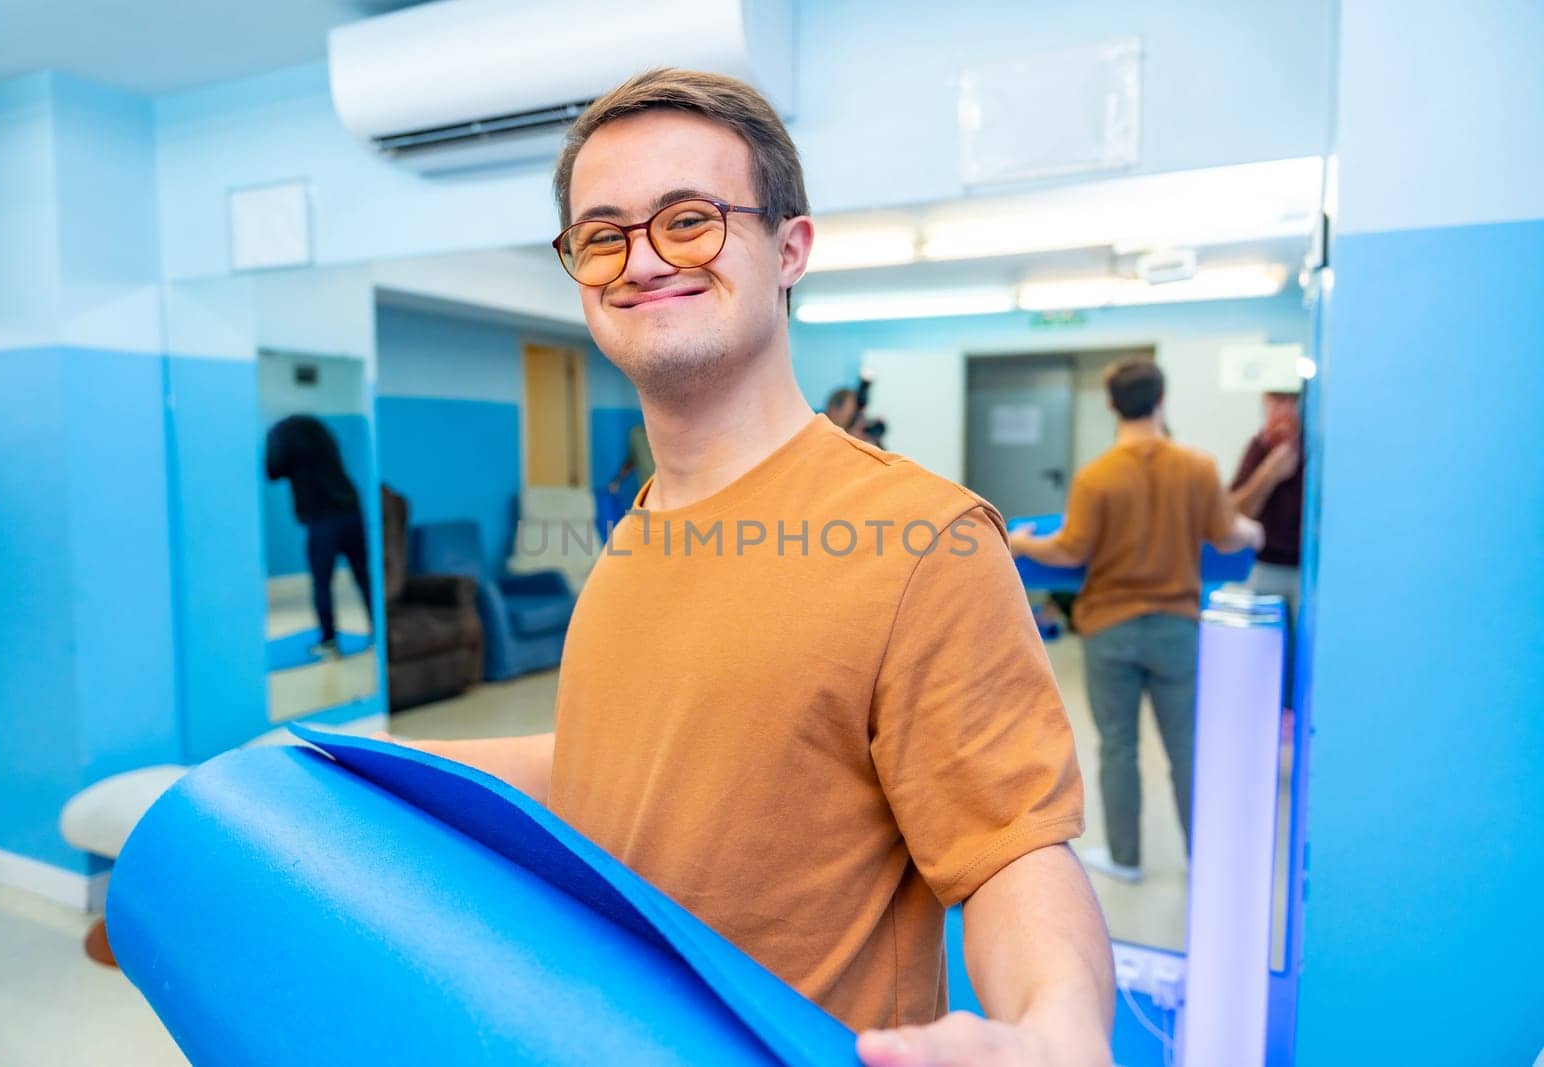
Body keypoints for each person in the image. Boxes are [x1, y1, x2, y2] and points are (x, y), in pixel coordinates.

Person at [386, 69, 1114, 1064]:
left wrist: (1057, 1027)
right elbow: (629, 758)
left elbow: (1010, 849)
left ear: (790, 247)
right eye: (602, 235)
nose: (642, 259)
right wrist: (345, 760)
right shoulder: (641, 523)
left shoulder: (923, 537)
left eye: (688, 219)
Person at [1008, 359, 1264, 884]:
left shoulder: (1097, 477)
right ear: (1162, 398)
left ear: (1110, 405)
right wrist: (1255, 533)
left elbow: (1069, 549)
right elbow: (1225, 535)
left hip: (1110, 629)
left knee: (1118, 747)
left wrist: (1020, 542)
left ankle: (1125, 859)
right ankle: (1205, 859)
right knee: (1187, 748)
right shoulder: (1198, 467)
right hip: (1177, 628)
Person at [264, 414, 372, 660]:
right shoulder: (322, 436)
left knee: (322, 582)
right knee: (365, 577)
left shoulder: (283, 439)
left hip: (323, 519)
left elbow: (273, 471)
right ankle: (380, 635)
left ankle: (329, 641)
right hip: (351, 510)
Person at [1230, 390, 1304, 710]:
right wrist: (1270, 472)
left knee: (1304, 659)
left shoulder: (1318, 449)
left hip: (1307, 573)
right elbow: (1236, 512)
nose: (1283, 411)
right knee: (1261, 657)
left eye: (1291, 402)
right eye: (1276, 402)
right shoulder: (1258, 449)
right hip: (1265, 568)